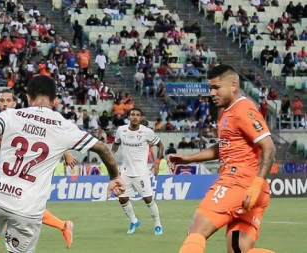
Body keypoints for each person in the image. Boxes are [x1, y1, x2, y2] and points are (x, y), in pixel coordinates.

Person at [0, 76, 125, 253]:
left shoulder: (10, 115)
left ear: (28, 97)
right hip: (27, 207)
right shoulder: (65, 126)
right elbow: (103, 149)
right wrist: (114, 176)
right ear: (55, 101)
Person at [169, 64, 277, 253]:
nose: (212, 93)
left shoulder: (243, 109)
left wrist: (256, 184)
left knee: (196, 232)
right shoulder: (226, 111)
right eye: (210, 88)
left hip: (239, 183)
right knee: (238, 249)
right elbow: (225, 147)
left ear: (233, 86)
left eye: (216, 87)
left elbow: (269, 146)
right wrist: (189, 159)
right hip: (250, 188)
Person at [0, 90, 75, 252]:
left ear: (14, 104)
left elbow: (50, 134)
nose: (4, 103)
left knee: (14, 207)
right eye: (1, 100)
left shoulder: (24, 119)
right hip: (14, 174)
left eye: (8, 100)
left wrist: (66, 153)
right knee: (19, 207)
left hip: (33, 173)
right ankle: (63, 225)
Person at [112, 107, 165, 235]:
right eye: (132, 115)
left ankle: (158, 224)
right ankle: (134, 221)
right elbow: (116, 143)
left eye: (138, 115)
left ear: (141, 118)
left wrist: (157, 163)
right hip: (125, 172)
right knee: (122, 198)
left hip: (141, 172)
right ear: (129, 117)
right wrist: (110, 155)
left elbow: (161, 145)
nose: (135, 117)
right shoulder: (121, 130)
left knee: (148, 199)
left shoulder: (147, 132)